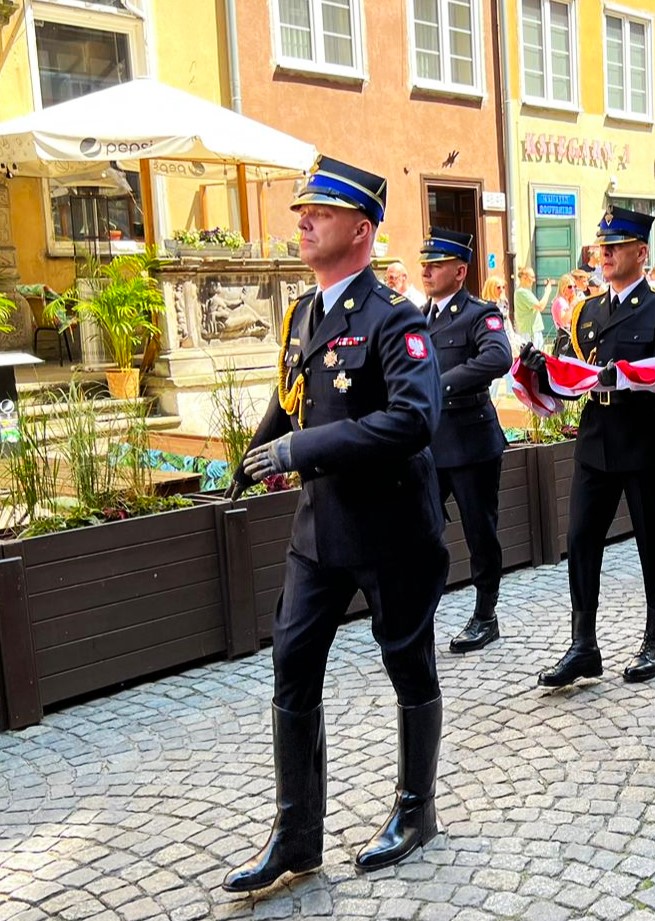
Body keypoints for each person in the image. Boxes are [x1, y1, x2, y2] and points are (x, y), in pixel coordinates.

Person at [223, 156, 447, 891]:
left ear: (361, 229)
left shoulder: (395, 318)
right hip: (318, 532)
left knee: (407, 665)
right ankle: (296, 834)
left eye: (320, 210)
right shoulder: (303, 314)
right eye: (302, 210)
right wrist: (257, 449)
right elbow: (291, 396)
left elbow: (414, 420)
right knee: (292, 665)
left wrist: (301, 449)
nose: (303, 220)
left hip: (390, 529)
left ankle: (416, 811)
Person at [518, 206, 655, 688]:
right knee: (580, 540)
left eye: (615, 247)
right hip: (597, 439)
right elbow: (574, 375)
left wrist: (627, 376)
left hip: (646, 439)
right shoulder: (587, 311)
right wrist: (542, 370)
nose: (605, 255)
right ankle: (583, 644)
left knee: (654, 543)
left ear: (641, 252)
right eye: (602, 247)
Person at [415, 229, 514, 656]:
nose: (426, 271)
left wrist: (439, 386)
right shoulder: (417, 317)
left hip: (471, 442)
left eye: (436, 264)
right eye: (425, 264)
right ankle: (418, 617)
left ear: (459, 272)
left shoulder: (479, 313)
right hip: (427, 446)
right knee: (420, 533)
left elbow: (498, 357)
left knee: (480, 532)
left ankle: (485, 614)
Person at [513, 266, 554, 345]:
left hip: (534, 331)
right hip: (530, 332)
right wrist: (548, 292)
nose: (534, 280)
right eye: (532, 277)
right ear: (524, 277)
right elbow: (540, 306)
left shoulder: (526, 291)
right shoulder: (522, 292)